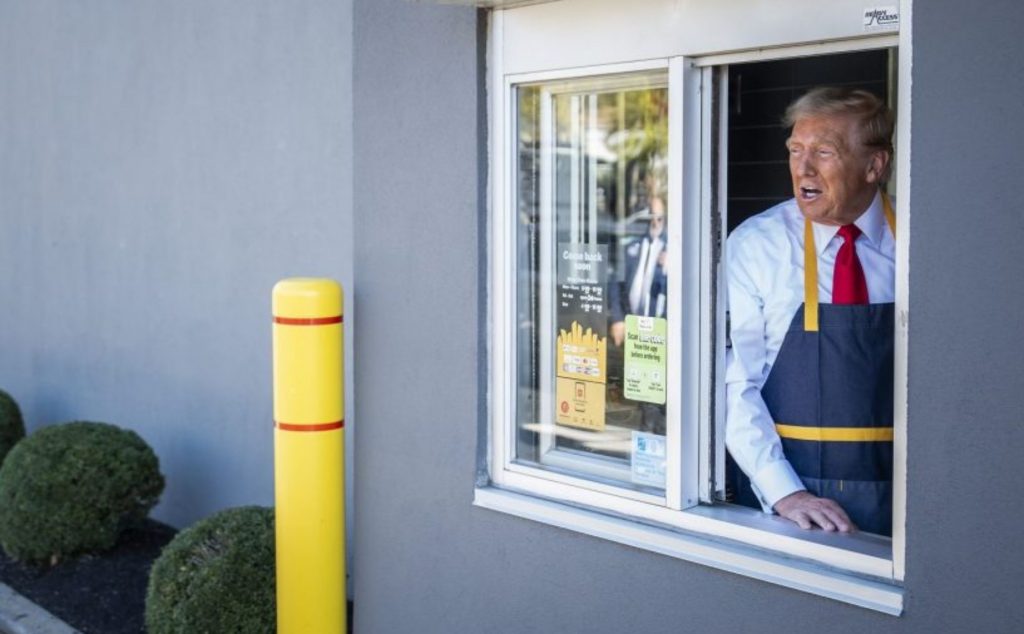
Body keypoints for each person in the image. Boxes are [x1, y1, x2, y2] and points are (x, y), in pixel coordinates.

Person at [725, 87, 896, 536]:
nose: (803, 168)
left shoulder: (918, 244)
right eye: (795, 150)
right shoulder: (757, 246)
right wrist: (784, 492)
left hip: (908, 503)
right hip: (793, 506)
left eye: (823, 152)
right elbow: (734, 380)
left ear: (874, 165)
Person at [609, 196, 668, 347]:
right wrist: (617, 318)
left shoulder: (673, 250)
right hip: (630, 324)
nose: (655, 223)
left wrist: (671, 268)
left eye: (659, 218)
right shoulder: (632, 246)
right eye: (651, 218)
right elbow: (616, 283)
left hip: (659, 329)